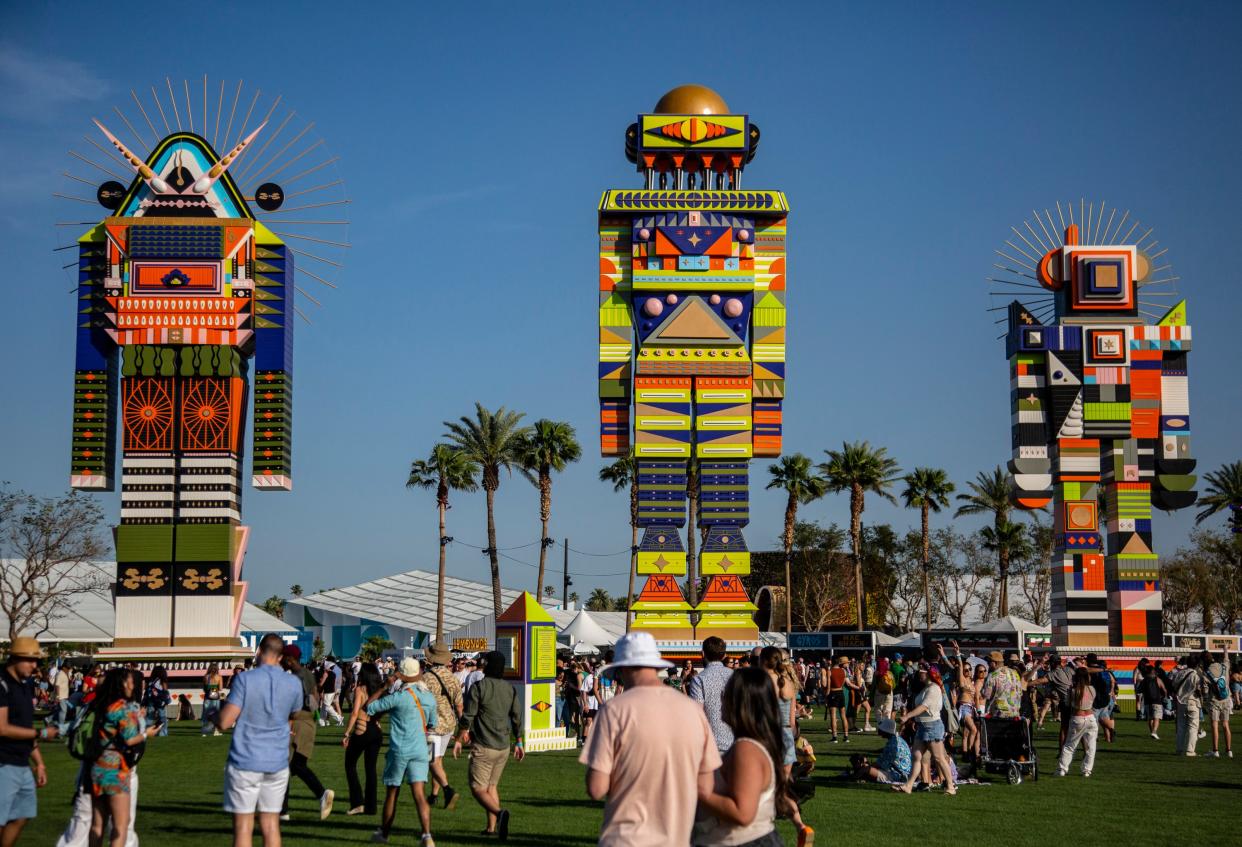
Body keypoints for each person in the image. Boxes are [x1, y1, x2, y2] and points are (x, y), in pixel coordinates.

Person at [581, 631, 721, 847]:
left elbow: (596, 787)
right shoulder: (693, 711)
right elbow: (706, 785)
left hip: (625, 837)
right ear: (656, 667)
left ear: (623, 668)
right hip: (677, 837)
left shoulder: (614, 710)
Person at [695, 667, 811, 847]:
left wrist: (700, 790)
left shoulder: (747, 750)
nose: (721, 699)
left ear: (740, 702)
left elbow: (743, 813)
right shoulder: (751, 744)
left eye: (726, 693)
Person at [214, 632, 305, 847]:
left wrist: (215, 716)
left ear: (258, 652)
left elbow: (225, 721)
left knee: (243, 828)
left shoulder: (245, 679)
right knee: (271, 825)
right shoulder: (293, 683)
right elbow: (294, 713)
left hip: (245, 759)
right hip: (277, 761)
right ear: (281, 657)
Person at [366, 658, 438, 846]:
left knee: (392, 793)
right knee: (419, 794)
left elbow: (369, 706)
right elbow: (432, 724)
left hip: (399, 748)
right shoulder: (429, 697)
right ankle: (427, 835)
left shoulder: (399, 696)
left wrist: (384, 687)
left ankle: (384, 833)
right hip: (420, 749)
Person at [454, 651, 524, 840]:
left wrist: (459, 739)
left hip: (484, 745)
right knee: (492, 786)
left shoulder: (479, 687)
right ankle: (492, 828)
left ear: (486, 665)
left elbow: (468, 716)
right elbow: (517, 717)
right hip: (504, 746)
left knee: (477, 788)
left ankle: (500, 814)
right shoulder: (509, 688)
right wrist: (519, 741)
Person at [88, 668, 159, 847]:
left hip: (98, 767)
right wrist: (146, 734)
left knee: (97, 825)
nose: (132, 685)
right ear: (122, 684)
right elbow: (128, 740)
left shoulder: (103, 705)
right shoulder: (124, 708)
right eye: (128, 681)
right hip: (116, 769)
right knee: (120, 827)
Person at [1, 637, 57, 844]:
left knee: (22, 815)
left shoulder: (24, 686)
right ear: (14, 658)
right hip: (3, 762)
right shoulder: (2, 684)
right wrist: (41, 734)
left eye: (37, 662)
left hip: (22, 762)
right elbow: (2, 728)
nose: (35, 666)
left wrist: (39, 762)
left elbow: (25, 727)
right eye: (30, 660)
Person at [279, 645, 334, 820]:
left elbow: (298, 701)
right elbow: (315, 698)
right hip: (308, 720)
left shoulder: (297, 677)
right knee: (291, 766)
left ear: (289, 659)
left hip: (297, 721)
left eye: (282, 658)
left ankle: (320, 793)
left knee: (290, 766)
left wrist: (289, 721)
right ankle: (283, 811)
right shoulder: (307, 674)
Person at [894, 664, 956, 796]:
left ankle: (950, 786)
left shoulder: (934, 689)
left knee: (939, 758)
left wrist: (907, 716)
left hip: (932, 726)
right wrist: (915, 720)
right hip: (922, 726)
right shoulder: (925, 688)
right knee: (916, 756)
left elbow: (924, 707)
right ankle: (908, 786)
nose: (918, 674)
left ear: (928, 674)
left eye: (921, 672)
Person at [417, 642, 463, 810]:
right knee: (438, 760)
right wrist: (463, 728)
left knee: (432, 761)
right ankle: (434, 795)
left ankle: (447, 789)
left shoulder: (426, 678)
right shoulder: (453, 678)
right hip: (449, 724)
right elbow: (459, 706)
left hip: (432, 725)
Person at [343, 662, 385, 817]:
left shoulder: (360, 690)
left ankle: (357, 803)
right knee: (370, 769)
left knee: (350, 765)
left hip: (362, 728)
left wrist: (347, 733)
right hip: (376, 730)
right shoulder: (379, 690)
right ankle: (371, 807)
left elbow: (354, 713)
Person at [687, 637, 734, 755]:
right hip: (735, 743)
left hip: (711, 745)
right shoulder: (735, 676)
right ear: (724, 655)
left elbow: (697, 715)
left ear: (703, 653)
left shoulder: (699, 679)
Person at [1055, 667, 1098, 777]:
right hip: (1091, 718)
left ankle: (1062, 769)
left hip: (1077, 718)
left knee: (1069, 746)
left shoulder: (1072, 690)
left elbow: (1069, 704)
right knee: (1091, 747)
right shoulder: (1092, 689)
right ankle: (1087, 770)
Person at [1170, 655, 1208, 756]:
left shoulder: (1180, 673)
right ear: (1196, 664)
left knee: (1181, 727)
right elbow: (1201, 690)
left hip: (1180, 702)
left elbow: (1173, 685)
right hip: (1193, 701)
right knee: (1193, 727)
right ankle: (1190, 750)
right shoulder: (1196, 675)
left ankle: (1179, 749)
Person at [859, 718, 911, 784]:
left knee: (865, 770)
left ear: (886, 730)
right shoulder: (897, 739)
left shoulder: (892, 745)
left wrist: (866, 766)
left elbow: (881, 764)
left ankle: (852, 777)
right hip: (905, 772)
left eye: (880, 729)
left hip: (898, 775)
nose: (879, 730)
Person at [1204, 647, 1233, 759]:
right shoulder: (1224, 666)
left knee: (1215, 725)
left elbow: (1205, 690)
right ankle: (1229, 750)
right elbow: (1226, 658)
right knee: (1226, 725)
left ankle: (1215, 750)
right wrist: (1225, 649)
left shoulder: (1206, 673)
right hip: (1226, 699)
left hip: (1214, 700)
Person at [981, 651, 1022, 718]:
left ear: (994, 663)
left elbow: (986, 695)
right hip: (1015, 715)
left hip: (998, 716)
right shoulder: (1015, 673)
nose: (987, 665)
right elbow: (1020, 692)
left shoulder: (992, 675)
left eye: (988, 662)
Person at [1137, 665, 1168, 740]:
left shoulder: (1144, 680)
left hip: (1147, 702)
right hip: (1157, 701)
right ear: (1153, 671)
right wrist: (1165, 696)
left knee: (1150, 718)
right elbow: (1164, 689)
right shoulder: (1157, 679)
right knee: (1156, 718)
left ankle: (1152, 732)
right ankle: (1154, 732)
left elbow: (1139, 690)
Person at [825, 656, 849, 743]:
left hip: (833, 693)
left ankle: (834, 737)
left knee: (833, 716)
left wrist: (826, 697)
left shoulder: (830, 671)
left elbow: (828, 686)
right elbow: (842, 683)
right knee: (843, 716)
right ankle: (846, 736)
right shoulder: (843, 671)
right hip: (841, 692)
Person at [142, 666, 170, 738]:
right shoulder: (162, 681)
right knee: (162, 718)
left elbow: (147, 692)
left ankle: (147, 732)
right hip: (160, 702)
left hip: (151, 701)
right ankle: (163, 733)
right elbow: (165, 692)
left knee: (149, 718)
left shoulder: (151, 681)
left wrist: (144, 702)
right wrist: (165, 701)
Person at [318, 658, 344, 728]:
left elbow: (321, 684)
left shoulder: (326, 673)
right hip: (332, 691)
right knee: (324, 707)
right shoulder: (333, 674)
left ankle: (339, 718)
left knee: (326, 707)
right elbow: (334, 684)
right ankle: (321, 721)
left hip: (328, 692)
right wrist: (335, 691)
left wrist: (318, 685)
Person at [202, 663, 224, 736]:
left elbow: (204, 689)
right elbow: (220, 689)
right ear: (217, 669)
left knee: (206, 714)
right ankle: (215, 731)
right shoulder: (219, 677)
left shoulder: (205, 677)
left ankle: (204, 732)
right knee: (215, 714)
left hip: (207, 697)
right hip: (215, 696)